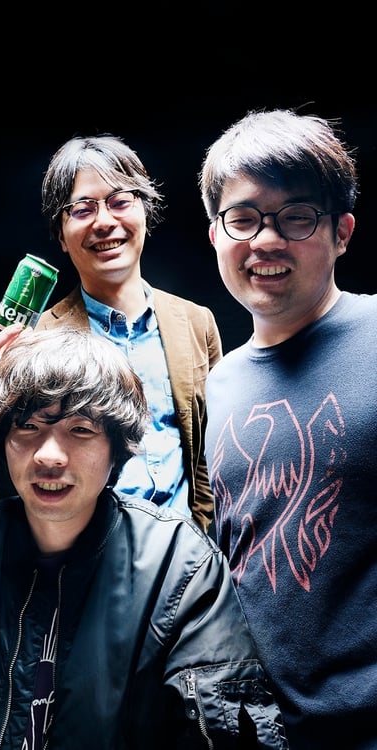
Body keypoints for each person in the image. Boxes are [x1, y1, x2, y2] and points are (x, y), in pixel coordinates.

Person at [0, 327, 289, 749]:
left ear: (117, 448)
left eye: (80, 430)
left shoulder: (181, 565)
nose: (49, 455)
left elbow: (220, 728)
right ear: (3, 439)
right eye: (28, 426)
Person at [199, 108, 376, 749]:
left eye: (296, 217)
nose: (266, 241)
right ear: (216, 235)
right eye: (243, 218)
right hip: (261, 734)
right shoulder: (221, 383)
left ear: (341, 232)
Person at [0, 134, 222, 533]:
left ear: (145, 211)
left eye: (120, 201)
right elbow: (9, 486)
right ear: (61, 234)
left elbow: (210, 455)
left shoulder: (196, 323)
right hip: (87, 553)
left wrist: (206, 536)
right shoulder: (37, 339)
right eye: (82, 209)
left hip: (187, 550)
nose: (104, 222)